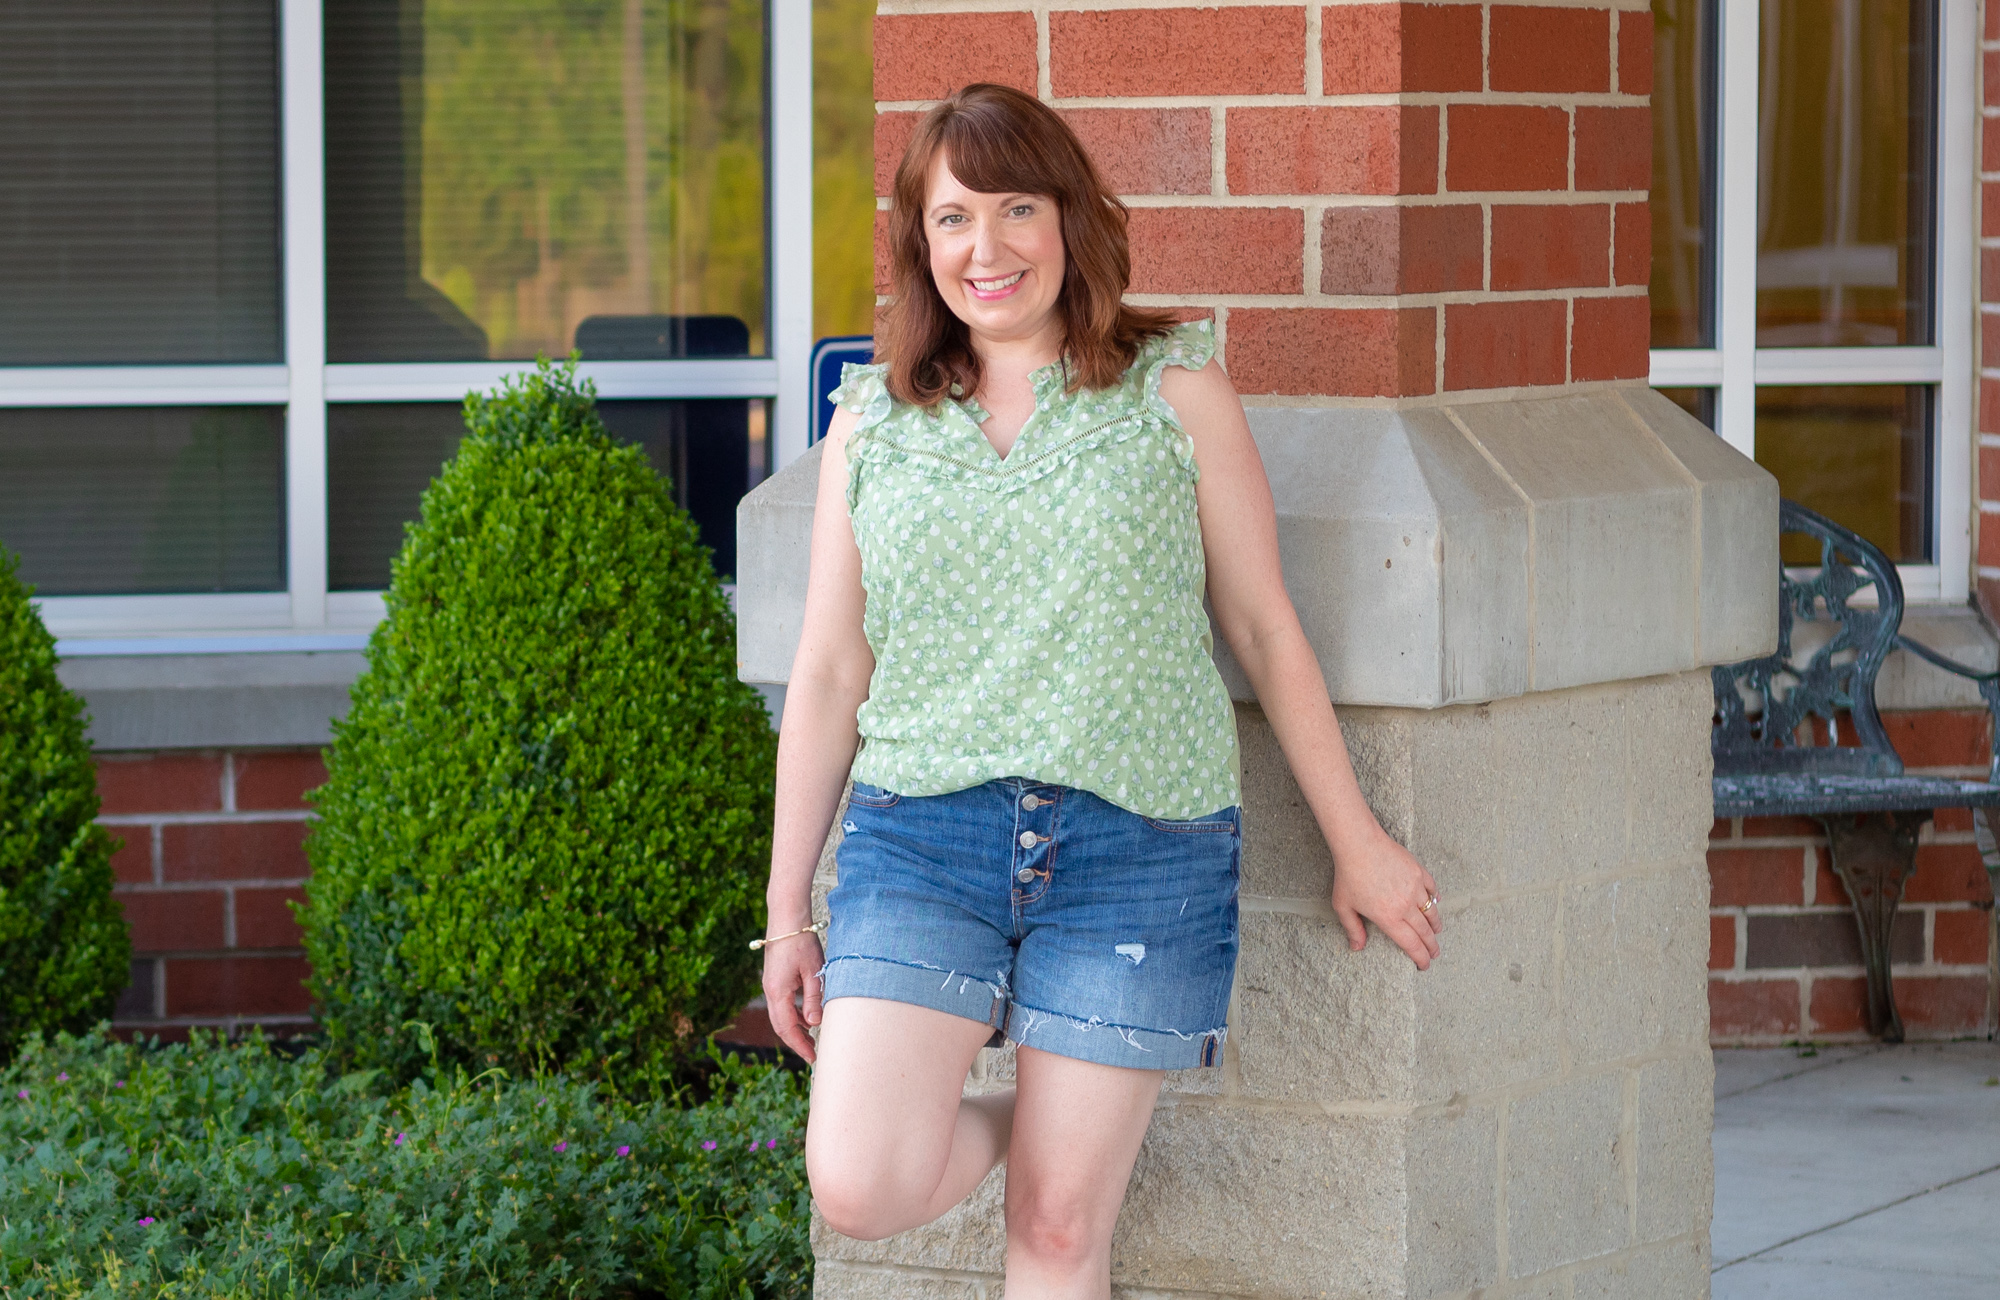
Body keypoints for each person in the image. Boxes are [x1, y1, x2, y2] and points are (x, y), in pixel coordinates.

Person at [759, 82, 1443, 1299]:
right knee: (858, 1180)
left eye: (1016, 208)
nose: (987, 247)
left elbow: (1260, 625)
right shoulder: (874, 422)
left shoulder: (1172, 392)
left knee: (1061, 1230)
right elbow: (825, 671)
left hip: (1138, 847)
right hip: (921, 839)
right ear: (922, 242)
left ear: (1068, 218)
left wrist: (1357, 842)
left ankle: (1082, 1111)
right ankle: (1067, 1098)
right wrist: (785, 911)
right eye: (954, 216)